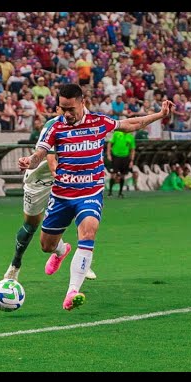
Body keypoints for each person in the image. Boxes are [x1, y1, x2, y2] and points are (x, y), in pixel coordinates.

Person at [18, 84, 172, 310]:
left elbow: (129, 124)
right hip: (61, 195)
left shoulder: (98, 122)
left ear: (82, 102)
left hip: (89, 193)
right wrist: (28, 161)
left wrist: (159, 115)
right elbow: (40, 154)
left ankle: (72, 291)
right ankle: (61, 250)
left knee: (89, 230)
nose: (66, 114)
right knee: (46, 245)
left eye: (70, 109)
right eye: (62, 109)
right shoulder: (55, 127)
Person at [4, 115, 96, 282]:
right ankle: (15, 264)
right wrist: (56, 173)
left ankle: (83, 260)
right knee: (31, 225)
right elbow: (51, 158)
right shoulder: (52, 125)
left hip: (66, 178)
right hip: (39, 179)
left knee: (81, 212)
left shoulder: (86, 126)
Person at [106, 130, 136, 198]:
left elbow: (132, 150)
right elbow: (109, 143)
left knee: (123, 175)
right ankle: (110, 192)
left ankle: (120, 193)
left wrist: (131, 160)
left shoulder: (130, 137)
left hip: (125, 157)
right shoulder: (116, 134)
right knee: (113, 174)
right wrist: (108, 154)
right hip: (116, 157)